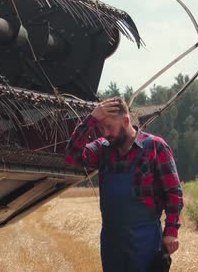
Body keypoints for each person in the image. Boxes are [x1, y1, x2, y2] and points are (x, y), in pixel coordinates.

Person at [65, 97, 183, 271]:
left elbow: (174, 193)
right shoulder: (102, 149)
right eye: (101, 127)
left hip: (146, 243)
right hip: (112, 244)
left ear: (126, 121)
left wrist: (171, 232)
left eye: (109, 127)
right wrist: (91, 119)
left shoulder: (155, 147)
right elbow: (71, 156)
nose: (104, 133)